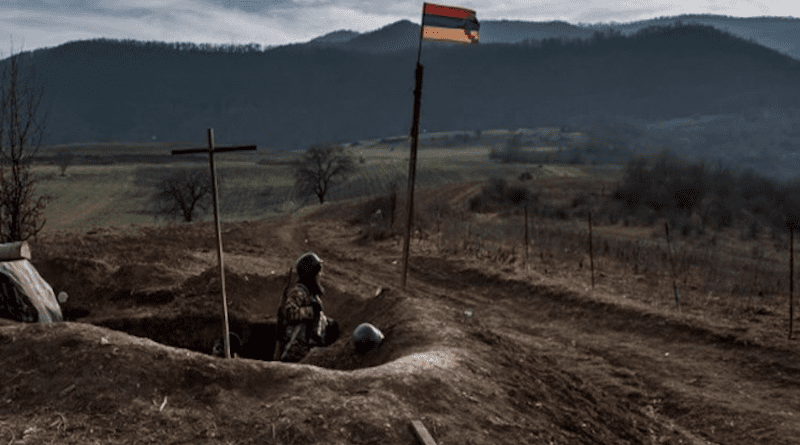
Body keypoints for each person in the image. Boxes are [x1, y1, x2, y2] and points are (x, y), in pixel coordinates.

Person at [274, 252, 338, 362]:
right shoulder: (299, 292)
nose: (320, 275)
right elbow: (289, 314)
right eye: (318, 272)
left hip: (310, 351)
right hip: (296, 352)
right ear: (311, 274)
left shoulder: (312, 295)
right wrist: (311, 311)